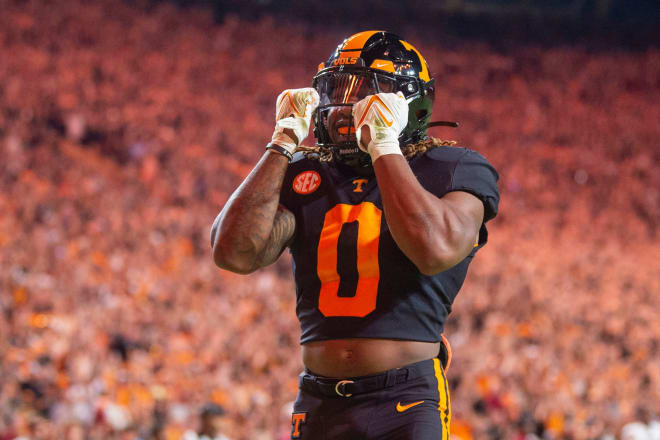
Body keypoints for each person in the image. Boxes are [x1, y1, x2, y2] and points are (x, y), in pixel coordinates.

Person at [211, 30, 499, 440]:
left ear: (410, 104)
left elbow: (436, 249)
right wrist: (281, 143)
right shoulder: (307, 171)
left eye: (366, 91)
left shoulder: (453, 165)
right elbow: (233, 253)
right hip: (318, 399)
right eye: (336, 89)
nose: (343, 108)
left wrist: (384, 148)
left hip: (405, 398)